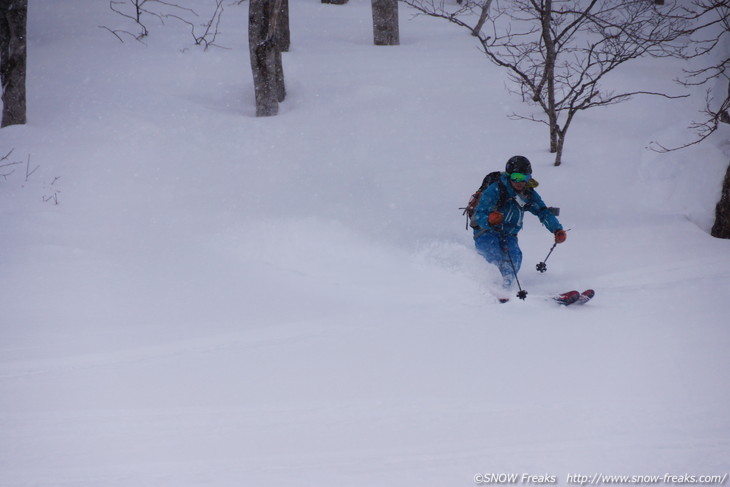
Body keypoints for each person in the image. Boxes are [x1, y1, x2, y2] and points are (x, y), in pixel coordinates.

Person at [472, 155, 567, 292]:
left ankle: (505, 289)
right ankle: (489, 289)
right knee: (493, 257)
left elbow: (542, 211)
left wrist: (556, 229)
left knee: (515, 259)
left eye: (525, 178)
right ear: (509, 175)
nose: (520, 182)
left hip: (509, 234)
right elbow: (480, 214)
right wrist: (489, 219)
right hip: (485, 231)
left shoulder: (527, 193)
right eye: (516, 176)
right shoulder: (495, 190)